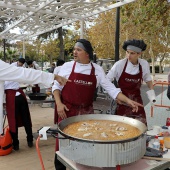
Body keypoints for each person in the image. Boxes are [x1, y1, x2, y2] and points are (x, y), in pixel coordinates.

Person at [52, 39, 143, 170]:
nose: (74, 52)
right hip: (67, 110)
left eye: (78, 50)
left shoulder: (97, 70)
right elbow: (56, 87)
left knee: (86, 145)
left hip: (86, 113)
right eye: (74, 49)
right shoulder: (66, 66)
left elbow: (111, 89)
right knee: (62, 144)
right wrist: (59, 103)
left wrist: (128, 100)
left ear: (87, 53)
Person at [0, 59, 69, 135]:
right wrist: (53, 77)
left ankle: (24, 140)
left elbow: (25, 74)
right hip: (13, 95)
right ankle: (19, 142)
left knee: (19, 119)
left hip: (17, 94)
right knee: (16, 119)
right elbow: (25, 74)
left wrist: (52, 77)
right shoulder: (10, 67)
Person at [106, 39, 156, 125]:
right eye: (127, 52)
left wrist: (152, 93)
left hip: (137, 101)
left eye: (132, 53)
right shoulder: (119, 65)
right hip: (122, 101)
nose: (128, 56)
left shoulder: (144, 64)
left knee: (140, 126)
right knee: (121, 129)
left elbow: (148, 79)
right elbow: (106, 81)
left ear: (139, 54)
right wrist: (116, 96)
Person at [4, 58, 34, 150]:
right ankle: (30, 140)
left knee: (13, 120)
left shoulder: (4, 73)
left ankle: (16, 144)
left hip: (12, 97)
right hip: (20, 95)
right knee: (26, 119)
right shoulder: (15, 69)